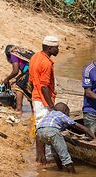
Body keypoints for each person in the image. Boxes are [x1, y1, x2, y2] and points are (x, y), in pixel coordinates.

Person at [37, 102, 95, 173]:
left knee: (55, 151)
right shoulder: (61, 114)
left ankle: (60, 169)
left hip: (40, 132)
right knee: (65, 156)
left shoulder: (49, 114)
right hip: (52, 130)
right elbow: (76, 125)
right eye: (68, 113)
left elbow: (49, 130)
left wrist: (68, 139)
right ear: (65, 111)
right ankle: (72, 174)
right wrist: (91, 134)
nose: (68, 115)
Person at [29, 35, 59, 163]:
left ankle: (39, 157)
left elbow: (31, 81)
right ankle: (41, 158)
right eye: (56, 48)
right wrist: (51, 105)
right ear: (50, 48)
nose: (58, 50)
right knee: (42, 128)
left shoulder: (35, 57)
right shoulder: (46, 63)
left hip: (36, 96)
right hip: (42, 99)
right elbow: (44, 86)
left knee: (39, 127)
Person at [3, 45, 34, 113]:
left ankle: (19, 109)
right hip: (35, 71)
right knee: (32, 92)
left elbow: (15, 71)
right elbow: (25, 68)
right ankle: (33, 111)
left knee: (18, 86)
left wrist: (7, 79)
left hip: (32, 72)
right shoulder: (22, 52)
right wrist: (17, 78)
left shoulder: (13, 54)